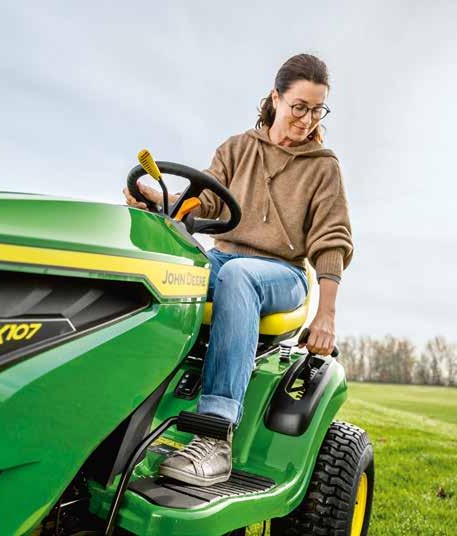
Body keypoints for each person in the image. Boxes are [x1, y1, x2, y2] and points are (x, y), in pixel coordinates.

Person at [123, 53, 353, 487]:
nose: (307, 119)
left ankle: (215, 435)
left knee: (239, 275)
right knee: (166, 269)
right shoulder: (236, 148)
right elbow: (205, 201)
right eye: (299, 107)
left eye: (317, 110)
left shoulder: (324, 167)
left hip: (282, 275)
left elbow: (331, 242)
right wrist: (159, 200)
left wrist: (327, 315)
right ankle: (122, 405)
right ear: (275, 98)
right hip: (224, 259)